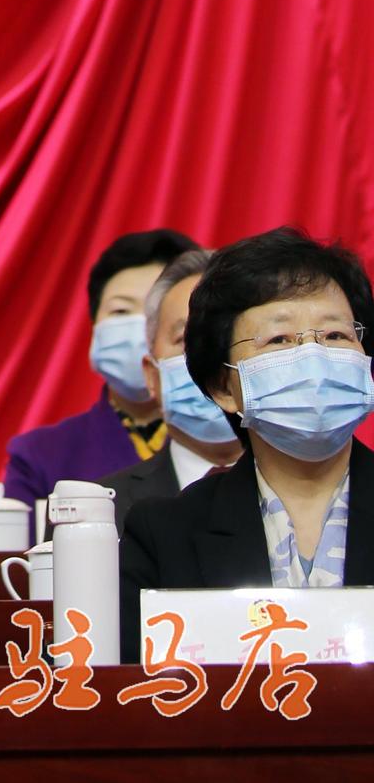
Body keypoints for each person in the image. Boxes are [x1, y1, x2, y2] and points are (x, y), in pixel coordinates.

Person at [120, 227, 374, 664]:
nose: (313, 357)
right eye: (280, 340)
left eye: (335, 336)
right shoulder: (165, 534)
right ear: (224, 387)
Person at [1, 227, 198, 509]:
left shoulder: (226, 442)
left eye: (155, 313)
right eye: (120, 311)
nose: (138, 329)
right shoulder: (39, 455)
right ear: (95, 325)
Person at [101, 248, 241, 534]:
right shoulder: (100, 512)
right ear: (152, 375)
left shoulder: (321, 495)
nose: (212, 358)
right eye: (188, 340)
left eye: (230, 337)